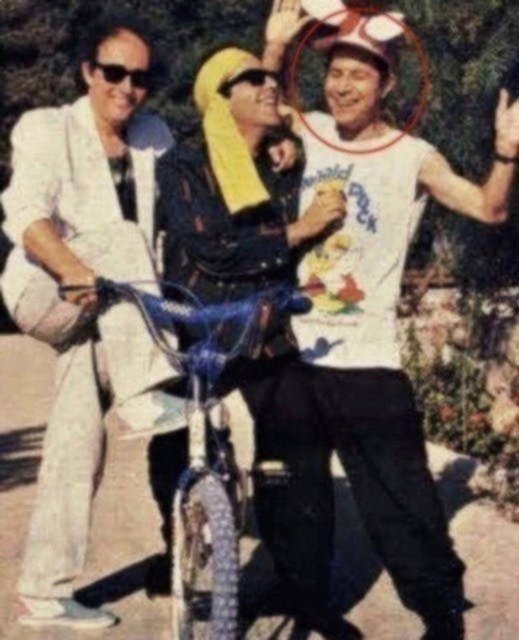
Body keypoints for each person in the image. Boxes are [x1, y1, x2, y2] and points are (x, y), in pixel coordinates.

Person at [261, 2, 519, 639]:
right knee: (294, 496)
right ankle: (311, 608)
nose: (342, 86)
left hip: (367, 360)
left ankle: (441, 616)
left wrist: (506, 153)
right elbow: (257, 111)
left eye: (359, 74)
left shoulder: (413, 156)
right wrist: (275, 49)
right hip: (296, 351)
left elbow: (488, 209)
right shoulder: (312, 129)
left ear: (388, 84)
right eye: (335, 72)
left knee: (401, 501)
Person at [153, 47, 363, 638]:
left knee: (298, 461)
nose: (271, 85)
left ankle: (306, 594)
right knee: (172, 446)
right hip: (205, 329)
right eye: (253, 79)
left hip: (268, 327)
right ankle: (179, 552)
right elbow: (214, 247)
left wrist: (290, 145)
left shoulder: (278, 159)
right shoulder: (183, 164)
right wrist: (303, 227)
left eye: (271, 77)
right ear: (220, 100)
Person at [1, 12, 185, 630]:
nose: (127, 88)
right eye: (114, 72)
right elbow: (26, 215)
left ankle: (43, 591)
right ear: (88, 72)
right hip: (46, 290)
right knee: (121, 235)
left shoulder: (155, 136)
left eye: (140, 78)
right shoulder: (46, 128)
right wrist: (72, 268)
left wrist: (277, 144)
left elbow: (189, 198)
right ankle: (142, 393)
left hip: (108, 309)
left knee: (77, 439)